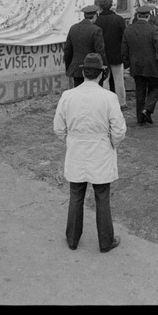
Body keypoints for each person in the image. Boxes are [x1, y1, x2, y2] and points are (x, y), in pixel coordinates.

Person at [53, 53, 127, 252]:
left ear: (83, 72)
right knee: (102, 195)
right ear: (102, 74)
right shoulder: (109, 98)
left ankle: (72, 239)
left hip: (77, 149)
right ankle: (105, 241)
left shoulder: (68, 96)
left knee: (76, 193)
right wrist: (111, 143)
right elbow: (119, 129)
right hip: (100, 150)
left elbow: (58, 127)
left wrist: (71, 141)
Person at [122, 4, 158, 126]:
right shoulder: (154, 29)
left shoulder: (129, 29)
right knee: (156, 87)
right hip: (151, 64)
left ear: (138, 16)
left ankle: (140, 118)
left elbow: (124, 49)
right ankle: (147, 109)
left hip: (136, 65)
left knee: (140, 89)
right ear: (148, 16)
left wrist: (127, 63)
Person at [94, 0, 128, 109]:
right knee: (119, 80)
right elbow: (124, 37)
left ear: (100, 7)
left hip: (102, 54)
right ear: (111, 5)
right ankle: (121, 102)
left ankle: (106, 103)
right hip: (117, 53)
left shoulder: (97, 20)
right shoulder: (119, 19)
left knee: (105, 80)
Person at [63, 5, 107, 88]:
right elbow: (100, 51)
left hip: (76, 69)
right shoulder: (96, 30)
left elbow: (67, 50)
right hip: (93, 69)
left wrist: (69, 67)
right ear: (95, 16)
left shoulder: (73, 28)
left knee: (79, 95)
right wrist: (104, 67)